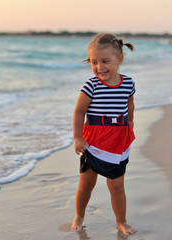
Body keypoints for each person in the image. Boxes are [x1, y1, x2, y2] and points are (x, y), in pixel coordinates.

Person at [70, 33, 136, 236]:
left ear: (120, 59)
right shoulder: (91, 86)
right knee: (86, 185)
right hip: (93, 142)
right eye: (94, 62)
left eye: (105, 61)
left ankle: (121, 221)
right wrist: (77, 137)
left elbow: (130, 105)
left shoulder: (128, 83)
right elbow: (79, 112)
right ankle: (79, 216)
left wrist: (130, 124)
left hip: (119, 141)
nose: (99, 67)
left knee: (117, 186)